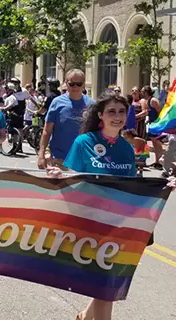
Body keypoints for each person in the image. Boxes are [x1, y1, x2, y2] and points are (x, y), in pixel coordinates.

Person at [57, 93, 135, 320]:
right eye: (112, 111)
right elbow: (70, 181)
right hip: (89, 223)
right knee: (105, 286)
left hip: (117, 225)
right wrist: (57, 176)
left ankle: (84, 316)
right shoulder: (84, 143)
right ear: (100, 115)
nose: (117, 117)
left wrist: (161, 187)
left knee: (105, 284)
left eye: (122, 112)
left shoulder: (127, 149)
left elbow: (133, 188)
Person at [37, 70, 93, 170]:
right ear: (66, 83)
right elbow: (47, 131)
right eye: (71, 84)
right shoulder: (57, 102)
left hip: (84, 160)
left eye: (79, 84)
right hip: (59, 159)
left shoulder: (91, 104)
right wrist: (41, 154)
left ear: (83, 84)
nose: (75, 87)